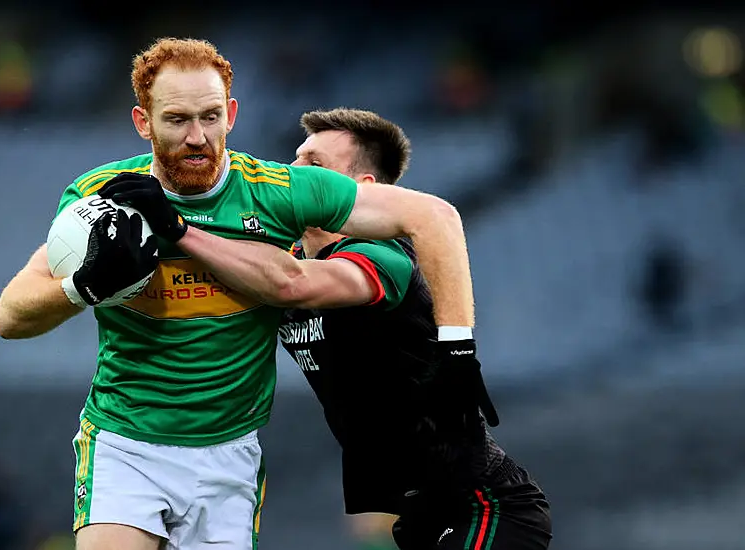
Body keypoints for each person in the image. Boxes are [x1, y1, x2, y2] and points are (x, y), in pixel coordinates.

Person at [0, 38, 478, 550]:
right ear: (142, 122)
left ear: (232, 115)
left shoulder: (281, 193)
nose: (197, 136)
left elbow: (434, 217)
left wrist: (458, 349)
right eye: (177, 119)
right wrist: (81, 286)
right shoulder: (101, 198)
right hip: (124, 442)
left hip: (228, 456)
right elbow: (10, 316)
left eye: (210, 117)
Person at [179, 108, 553, 549]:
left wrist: (178, 229)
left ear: (362, 191)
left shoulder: (383, 258)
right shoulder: (290, 252)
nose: (292, 174)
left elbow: (291, 284)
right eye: (294, 160)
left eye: (314, 165)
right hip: (421, 515)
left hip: (486, 506)